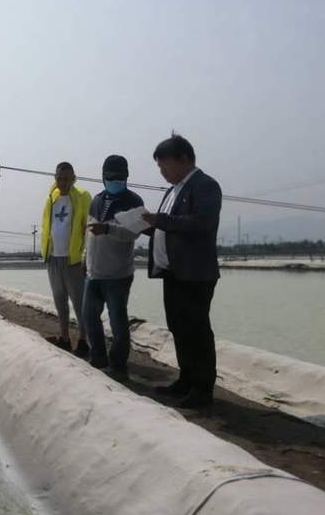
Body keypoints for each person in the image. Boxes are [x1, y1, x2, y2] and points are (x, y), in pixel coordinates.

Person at [142, 134, 222, 408]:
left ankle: (202, 388)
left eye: (165, 165)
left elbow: (201, 221)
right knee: (178, 327)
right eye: (159, 167)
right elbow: (167, 226)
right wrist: (145, 224)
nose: (162, 172)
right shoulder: (173, 190)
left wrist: (161, 220)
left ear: (184, 159)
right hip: (173, 271)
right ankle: (186, 379)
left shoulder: (205, 185)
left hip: (195, 272)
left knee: (197, 329)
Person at [82, 155, 145, 380]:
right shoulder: (97, 200)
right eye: (110, 178)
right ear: (103, 177)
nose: (114, 182)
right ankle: (98, 356)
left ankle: (118, 364)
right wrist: (85, 259)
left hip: (118, 275)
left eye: (118, 178)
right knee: (89, 315)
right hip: (93, 273)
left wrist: (108, 229)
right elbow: (89, 233)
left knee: (118, 321)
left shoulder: (134, 201)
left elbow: (133, 233)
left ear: (126, 177)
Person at [41, 162, 92, 357]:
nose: (62, 183)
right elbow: (46, 225)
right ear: (55, 178)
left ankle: (84, 340)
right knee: (60, 301)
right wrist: (46, 252)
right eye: (59, 178)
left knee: (79, 303)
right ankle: (64, 338)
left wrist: (86, 257)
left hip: (74, 260)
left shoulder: (82, 197)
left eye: (66, 179)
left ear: (73, 178)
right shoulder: (51, 198)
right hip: (53, 258)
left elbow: (88, 228)